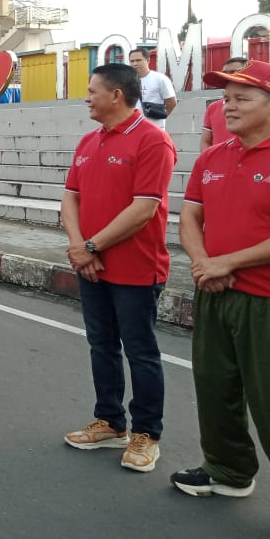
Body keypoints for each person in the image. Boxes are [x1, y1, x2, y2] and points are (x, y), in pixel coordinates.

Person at [58, 63, 176, 472]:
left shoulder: (152, 141)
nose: (87, 98)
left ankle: (147, 433)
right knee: (101, 345)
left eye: (93, 91)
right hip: (91, 265)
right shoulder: (89, 141)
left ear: (117, 95)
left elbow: (144, 209)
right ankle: (110, 422)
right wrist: (79, 247)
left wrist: (91, 246)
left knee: (140, 351)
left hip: (136, 269)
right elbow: (70, 198)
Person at [172, 59, 270, 498]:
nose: (228, 107)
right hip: (214, 291)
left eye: (242, 99)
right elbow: (190, 217)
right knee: (215, 388)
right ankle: (227, 470)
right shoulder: (212, 157)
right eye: (225, 99)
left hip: (263, 300)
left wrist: (225, 263)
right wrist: (203, 263)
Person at [200, 57, 248, 151]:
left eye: (234, 72)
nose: (227, 77)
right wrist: (209, 161)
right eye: (224, 73)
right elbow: (205, 141)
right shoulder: (213, 107)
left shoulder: (258, 106)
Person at [128, 48, 177, 130]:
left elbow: (171, 102)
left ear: (147, 60)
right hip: (133, 128)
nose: (135, 63)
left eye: (138, 60)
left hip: (155, 128)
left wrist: (160, 116)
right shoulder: (126, 81)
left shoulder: (160, 79)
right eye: (132, 61)